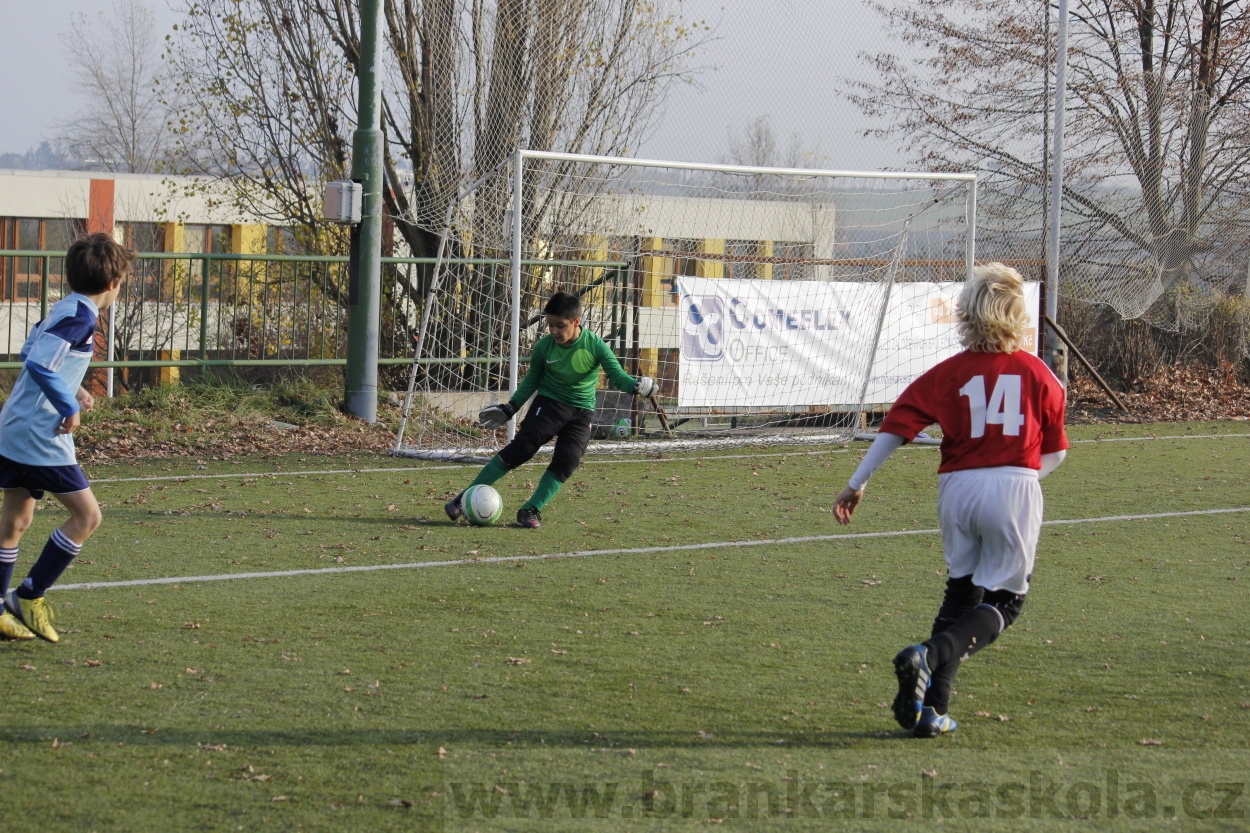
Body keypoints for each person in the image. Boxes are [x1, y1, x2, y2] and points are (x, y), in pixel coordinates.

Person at [833, 263, 1068, 738]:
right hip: (1012, 486)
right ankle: (929, 654)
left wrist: (857, 483)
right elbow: (1056, 451)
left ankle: (930, 710)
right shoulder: (1038, 373)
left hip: (956, 490)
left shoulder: (947, 373)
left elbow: (897, 428)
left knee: (962, 593)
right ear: (1017, 315)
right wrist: (1022, 480)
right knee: (1006, 602)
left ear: (968, 313)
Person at [0, 232, 131, 643]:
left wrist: (74, 388)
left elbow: (29, 351)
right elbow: (39, 362)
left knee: (16, 522)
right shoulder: (83, 316)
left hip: (14, 426)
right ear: (113, 284)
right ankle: (29, 596)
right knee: (87, 517)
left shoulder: (66, 306)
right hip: (40, 434)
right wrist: (68, 406)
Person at [445, 291, 655, 529]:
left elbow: (617, 376)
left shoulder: (596, 346)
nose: (554, 331)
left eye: (560, 325)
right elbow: (532, 379)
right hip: (549, 403)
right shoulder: (544, 347)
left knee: (567, 461)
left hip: (582, 412)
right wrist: (511, 407)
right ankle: (462, 499)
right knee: (522, 448)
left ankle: (530, 510)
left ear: (576, 321)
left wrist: (636, 386)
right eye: (550, 325)